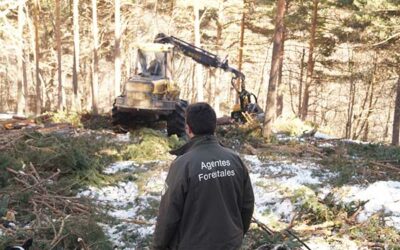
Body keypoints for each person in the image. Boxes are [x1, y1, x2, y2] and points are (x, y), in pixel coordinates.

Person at [153, 102, 254, 250]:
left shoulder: (182, 165)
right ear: (214, 126)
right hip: (230, 244)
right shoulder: (235, 160)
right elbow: (247, 205)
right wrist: (236, 235)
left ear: (188, 129)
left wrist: (158, 246)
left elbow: (168, 214)